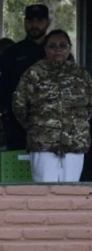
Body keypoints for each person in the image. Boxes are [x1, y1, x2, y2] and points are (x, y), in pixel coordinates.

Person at [12, 29, 92, 183]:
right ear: (45, 49)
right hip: (43, 145)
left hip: (74, 144)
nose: (58, 50)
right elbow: (19, 105)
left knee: (70, 193)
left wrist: (77, 125)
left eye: (63, 46)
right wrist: (36, 127)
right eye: (52, 46)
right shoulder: (34, 73)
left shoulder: (81, 75)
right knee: (44, 194)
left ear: (69, 48)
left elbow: (89, 106)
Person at [0, 4, 51, 150]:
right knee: (19, 167)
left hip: (52, 125)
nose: (34, 25)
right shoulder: (12, 53)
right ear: (25, 23)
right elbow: (1, 88)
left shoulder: (57, 52)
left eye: (39, 21)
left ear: (47, 23)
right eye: (30, 21)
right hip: (18, 124)